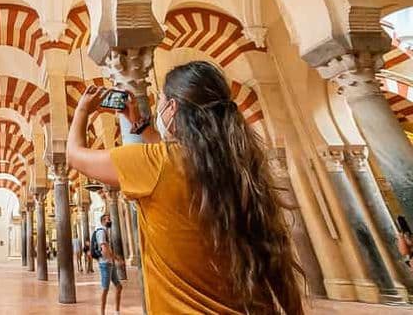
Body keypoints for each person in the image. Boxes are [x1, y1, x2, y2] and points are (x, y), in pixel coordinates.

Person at [67, 61, 303, 314]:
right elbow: (174, 157)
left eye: (160, 100)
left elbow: (74, 155)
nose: (158, 106)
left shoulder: (155, 164)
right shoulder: (240, 166)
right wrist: (141, 126)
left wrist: (83, 110)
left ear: (172, 108)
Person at [92, 214, 122, 315]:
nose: (109, 221)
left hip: (109, 263)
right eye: (107, 219)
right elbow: (104, 249)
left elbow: (107, 248)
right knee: (105, 289)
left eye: (109, 219)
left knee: (119, 286)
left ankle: (117, 312)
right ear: (103, 221)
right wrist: (115, 259)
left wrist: (114, 259)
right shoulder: (101, 232)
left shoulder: (105, 231)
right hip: (105, 264)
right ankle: (102, 313)